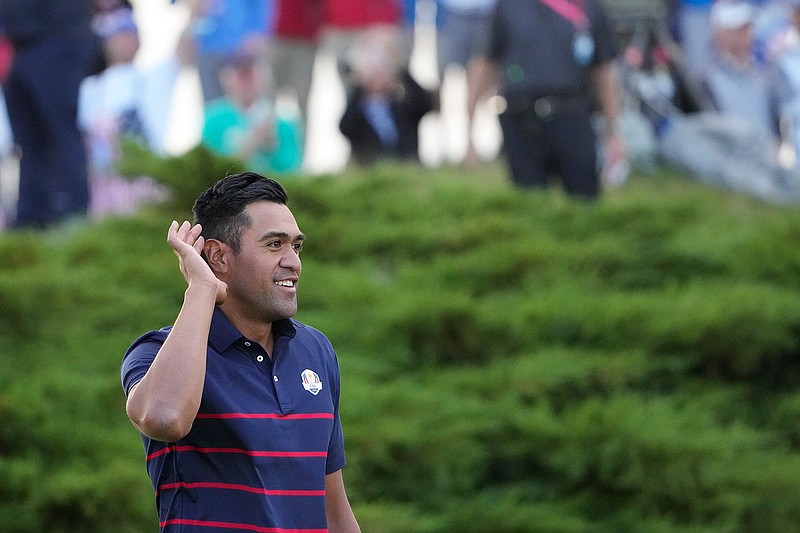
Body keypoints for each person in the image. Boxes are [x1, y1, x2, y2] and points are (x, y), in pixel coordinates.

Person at [120, 171, 362, 533]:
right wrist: (202, 288)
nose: (293, 262)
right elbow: (165, 418)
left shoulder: (316, 351)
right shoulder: (157, 353)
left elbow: (334, 511)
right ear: (218, 256)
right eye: (274, 245)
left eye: (296, 246)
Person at [485, 0, 626, 199]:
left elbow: (604, 69)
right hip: (522, 118)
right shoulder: (509, 5)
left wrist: (613, 131)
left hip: (573, 113)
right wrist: (468, 127)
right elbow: (486, 61)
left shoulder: (589, 6)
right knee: (529, 202)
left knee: (583, 200)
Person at [0, 0, 97, 229]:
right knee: (28, 140)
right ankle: (31, 218)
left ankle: (73, 214)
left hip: (57, 38)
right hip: (20, 44)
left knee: (61, 132)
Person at [339, 26, 436, 165]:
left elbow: (426, 103)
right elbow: (345, 127)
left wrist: (399, 67)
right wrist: (360, 82)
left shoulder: (403, 109)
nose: (378, 75)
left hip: (407, 172)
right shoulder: (358, 114)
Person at [201, 50, 303, 174]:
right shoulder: (213, 119)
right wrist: (251, 142)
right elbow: (209, 168)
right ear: (226, 79)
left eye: (251, 77)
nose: (247, 84)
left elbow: (291, 171)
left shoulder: (283, 123)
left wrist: (270, 149)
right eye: (241, 78)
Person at [434, 0, 497, 166]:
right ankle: (442, 147)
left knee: (481, 83)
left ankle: (470, 146)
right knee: (445, 84)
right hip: (451, 13)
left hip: (488, 13)